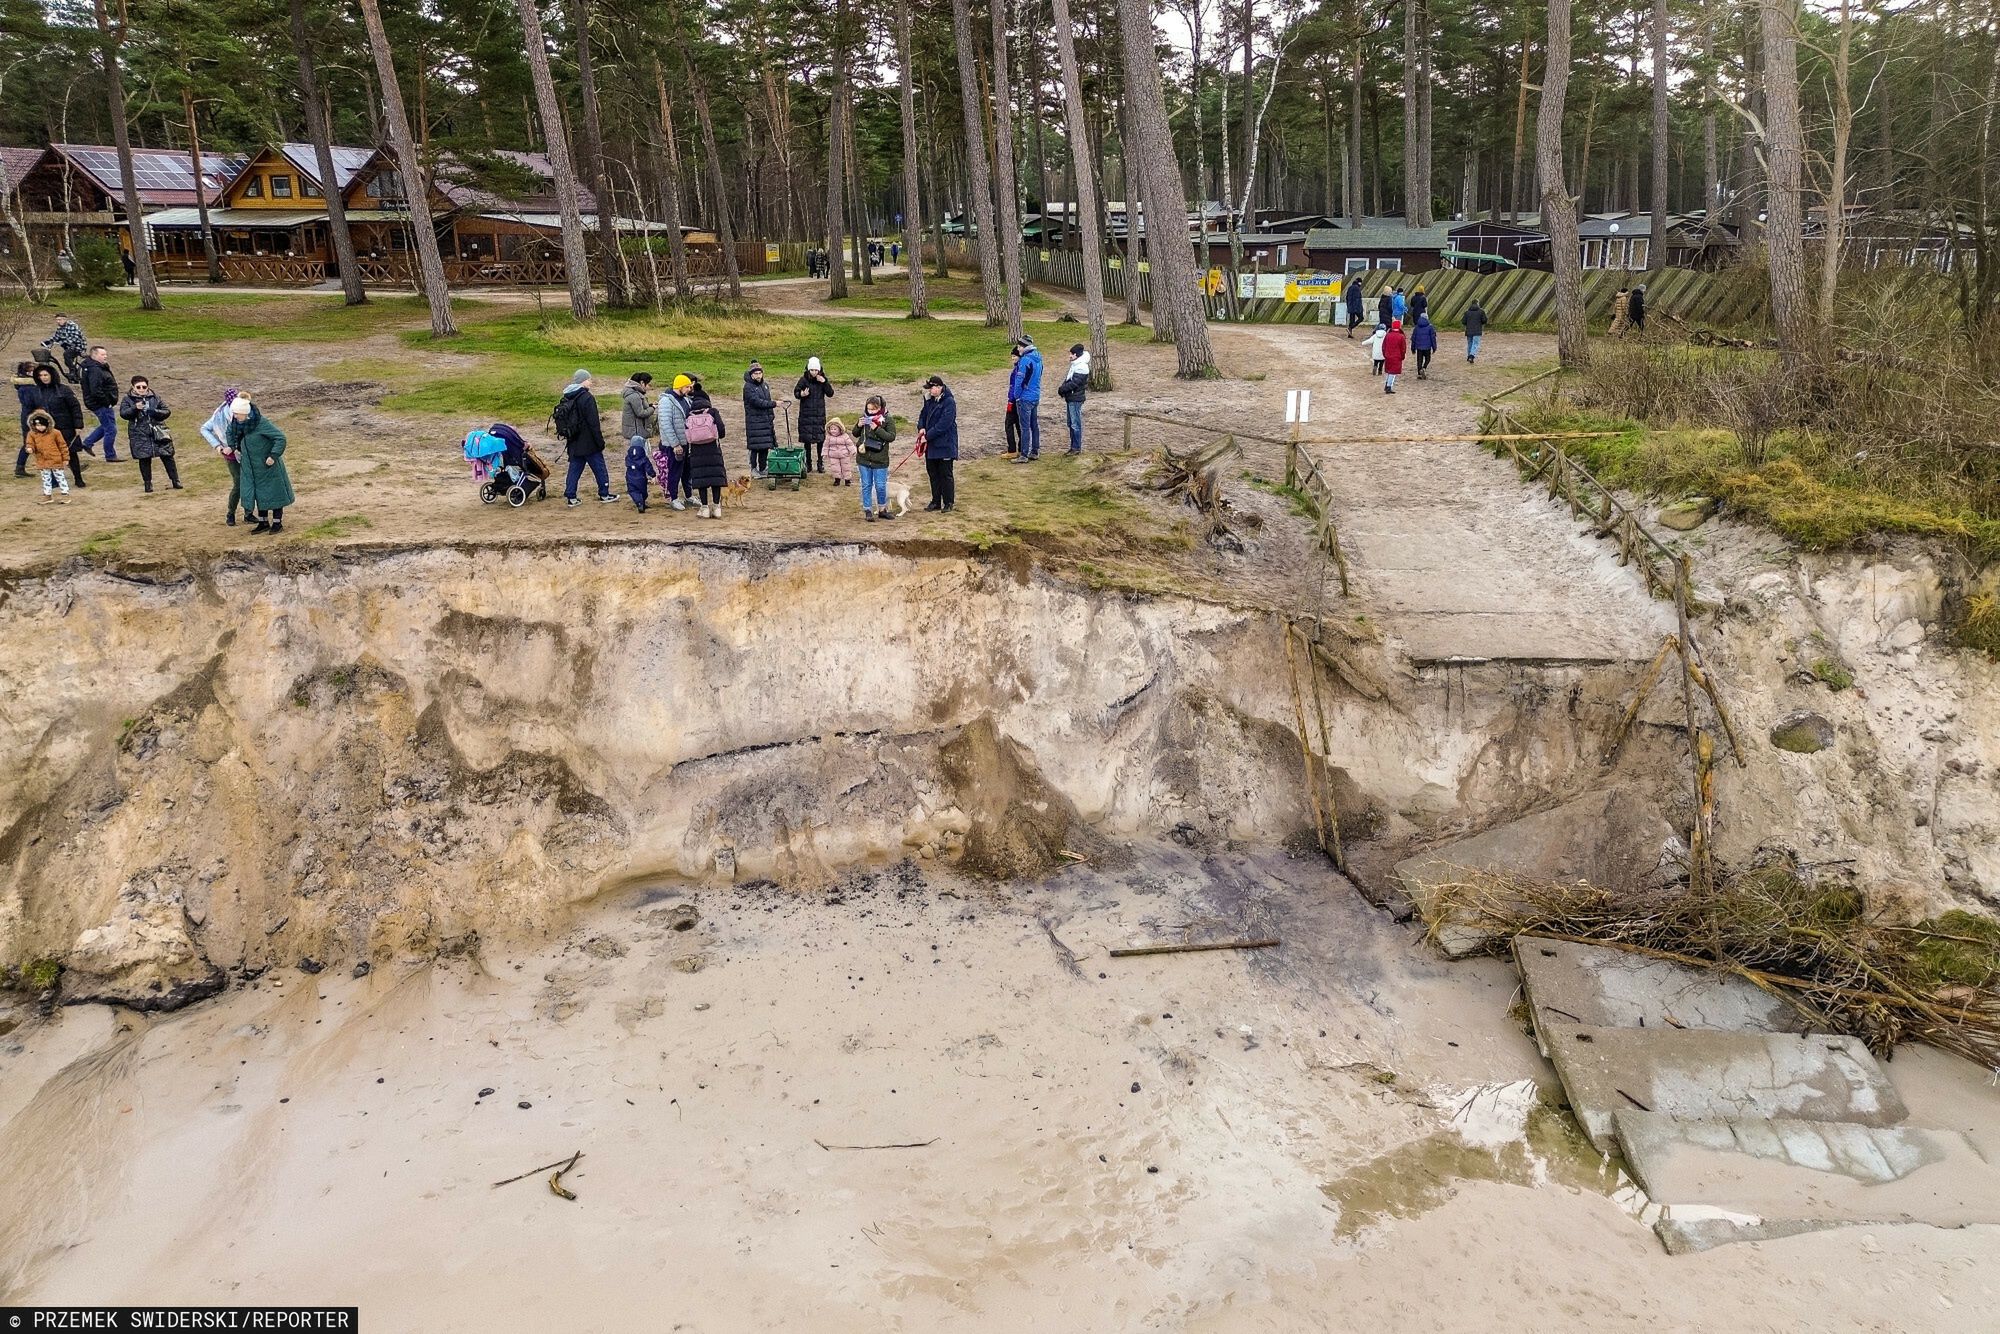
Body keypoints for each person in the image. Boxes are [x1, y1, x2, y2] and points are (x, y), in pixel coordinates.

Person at [227, 396, 294, 533]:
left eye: (237, 413)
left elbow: (280, 438)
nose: (234, 416)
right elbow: (229, 432)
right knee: (259, 494)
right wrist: (233, 447)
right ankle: (263, 523)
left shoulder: (261, 423)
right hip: (250, 467)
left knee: (274, 494)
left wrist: (273, 455)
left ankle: (277, 523)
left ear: (245, 412)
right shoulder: (236, 424)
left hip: (268, 466)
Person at [554, 369, 618, 507]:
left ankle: (571, 496)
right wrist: (600, 441)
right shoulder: (587, 397)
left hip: (574, 440)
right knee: (599, 468)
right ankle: (604, 494)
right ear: (582, 381)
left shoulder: (567, 396)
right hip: (589, 442)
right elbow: (593, 423)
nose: (591, 382)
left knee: (574, 469)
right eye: (589, 379)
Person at [20, 363, 86, 489]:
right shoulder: (35, 392)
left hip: (65, 426)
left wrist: (78, 425)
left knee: (71, 453)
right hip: (45, 429)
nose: (43, 377)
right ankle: (54, 481)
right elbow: (28, 411)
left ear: (51, 375)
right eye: (40, 375)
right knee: (48, 454)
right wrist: (31, 428)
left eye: (46, 375)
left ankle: (78, 478)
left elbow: (75, 407)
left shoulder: (64, 390)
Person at [681, 373, 729, 518]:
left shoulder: (689, 414)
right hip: (713, 449)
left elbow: (686, 433)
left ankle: (704, 508)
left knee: (702, 480)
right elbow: (722, 430)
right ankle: (717, 508)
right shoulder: (712, 412)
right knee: (715, 479)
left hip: (697, 451)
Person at [119, 375, 178, 492]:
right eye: (138, 387)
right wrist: (135, 408)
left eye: (144, 387)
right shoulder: (127, 399)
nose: (141, 389)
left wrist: (154, 412)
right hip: (139, 433)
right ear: (133, 387)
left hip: (158, 431)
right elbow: (124, 414)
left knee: (167, 456)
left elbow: (166, 411)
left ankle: (175, 480)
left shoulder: (155, 397)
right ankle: (148, 484)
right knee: (144, 459)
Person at [200, 388, 244, 524]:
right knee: (239, 483)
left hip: (247, 452)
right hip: (231, 455)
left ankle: (248, 513)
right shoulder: (219, 415)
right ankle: (231, 514)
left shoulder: (244, 411)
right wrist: (218, 446)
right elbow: (204, 429)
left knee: (250, 482)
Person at [916, 374, 958, 512]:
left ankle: (948, 502)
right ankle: (935, 501)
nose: (930, 390)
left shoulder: (949, 402)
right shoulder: (929, 400)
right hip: (931, 445)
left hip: (945, 444)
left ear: (939, 387)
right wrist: (921, 428)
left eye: (932, 388)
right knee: (933, 473)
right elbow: (923, 415)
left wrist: (927, 436)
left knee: (945, 474)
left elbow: (944, 424)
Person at [855, 394, 898, 521]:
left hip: (880, 459)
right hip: (864, 458)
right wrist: (858, 425)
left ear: (880, 408)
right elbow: (855, 433)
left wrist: (877, 429)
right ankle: (868, 510)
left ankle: (882, 509)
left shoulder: (888, 419)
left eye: (873, 409)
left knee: (880, 486)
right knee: (866, 485)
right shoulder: (864, 417)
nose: (870, 412)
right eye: (868, 409)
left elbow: (891, 437)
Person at [619, 372, 657, 512]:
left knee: (637, 460)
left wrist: (650, 406)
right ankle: (642, 485)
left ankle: (641, 486)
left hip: (636, 431)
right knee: (641, 459)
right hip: (637, 432)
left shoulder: (633, 394)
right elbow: (641, 413)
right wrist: (653, 408)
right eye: (648, 384)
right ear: (642, 383)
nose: (649, 386)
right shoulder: (635, 396)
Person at [79, 346, 122, 461]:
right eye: (102, 355)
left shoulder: (94, 367)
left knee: (107, 425)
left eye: (105, 354)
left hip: (98, 402)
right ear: (94, 355)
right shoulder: (95, 370)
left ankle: (88, 443)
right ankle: (110, 455)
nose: (105, 356)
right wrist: (106, 402)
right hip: (100, 403)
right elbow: (95, 390)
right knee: (111, 429)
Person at [794, 355, 834, 474]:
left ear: (819, 370)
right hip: (806, 414)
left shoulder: (822, 380)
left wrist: (825, 382)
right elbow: (796, 392)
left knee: (820, 440)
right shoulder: (803, 380)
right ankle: (808, 463)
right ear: (808, 369)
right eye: (812, 370)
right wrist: (802, 394)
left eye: (816, 370)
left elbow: (830, 393)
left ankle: (820, 463)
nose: (814, 372)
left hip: (819, 415)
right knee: (807, 441)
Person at [24, 409, 72, 504]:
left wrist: (66, 458)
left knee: (60, 477)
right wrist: (29, 448)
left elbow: (63, 446)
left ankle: (65, 494)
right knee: (46, 479)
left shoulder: (56, 433)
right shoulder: (31, 434)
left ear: (47, 424)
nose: (40, 427)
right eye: (37, 425)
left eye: (42, 425)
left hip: (55, 460)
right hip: (42, 460)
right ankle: (47, 495)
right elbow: (29, 443)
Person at [1008, 336, 1043, 462]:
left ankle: (1024, 454)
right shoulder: (1038, 357)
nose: (1018, 349)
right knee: (1034, 425)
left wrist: (1016, 396)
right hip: (1035, 395)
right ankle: (1035, 451)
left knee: (1024, 427)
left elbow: (1019, 381)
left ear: (1024, 347)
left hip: (1025, 397)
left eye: (1019, 346)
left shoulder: (1025, 361)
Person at [742, 361, 777, 478]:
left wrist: (771, 416)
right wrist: (774, 404)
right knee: (754, 447)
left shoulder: (765, 386)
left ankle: (762, 468)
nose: (758, 375)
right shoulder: (748, 387)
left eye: (759, 373)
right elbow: (756, 402)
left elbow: (767, 400)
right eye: (755, 373)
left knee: (764, 446)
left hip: (765, 421)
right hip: (754, 422)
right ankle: (753, 469)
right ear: (751, 375)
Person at [1055, 343, 1089, 455]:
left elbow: (1074, 383)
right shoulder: (1076, 365)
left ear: (1076, 355)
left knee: (1075, 424)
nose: (1069, 356)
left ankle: (1076, 447)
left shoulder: (1081, 367)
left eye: (1071, 354)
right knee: (1071, 423)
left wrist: (1062, 389)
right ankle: (1074, 446)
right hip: (1072, 398)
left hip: (1075, 398)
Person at [40, 314, 87, 382]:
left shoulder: (73, 326)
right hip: (68, 347)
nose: (58, 321)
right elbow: (56, 337)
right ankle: (73, 372)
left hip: (78, 347)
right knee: (67, 360)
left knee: (67, 355)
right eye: (57, 320)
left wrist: (62, 342)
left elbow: (75, 339)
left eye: (59, 320)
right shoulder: (60, 328)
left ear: (65, 319)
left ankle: (73, 371)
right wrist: (47, 342)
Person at [12, 361, 33, 476]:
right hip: (31, 417)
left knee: (28, 443)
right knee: (29, 443)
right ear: (28, 372)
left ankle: (20, 468)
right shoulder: (27, 388)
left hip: (27, 416)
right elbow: (29, 403)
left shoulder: (24, 386)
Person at [822, 416, 857, 486]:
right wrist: (824, 453)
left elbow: (850, 444)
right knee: (835, 468)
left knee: (846, 467)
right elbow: (826, 446)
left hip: (844, 455)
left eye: (835, 429)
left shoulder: (845, 436)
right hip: (833, 456)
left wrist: (853, 450)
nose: (833, 431)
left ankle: (847, 480)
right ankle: (837, 480)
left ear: (840, 429)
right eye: (831, 429)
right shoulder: (828, 437)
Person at [1003, 346, 1021, 456]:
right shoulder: (1019, 367)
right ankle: (1021, 448)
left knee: (1008, 424)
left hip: (1014, 400)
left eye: (1014, 356)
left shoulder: (1018, 370)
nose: (1013, 358)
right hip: (1018, 400)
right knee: (1019, 424)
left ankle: (1012, 449)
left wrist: (1010, 400)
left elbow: (1014, 386)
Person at [1381, 319, 1408, 395]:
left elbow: (1383, 346)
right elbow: (1403, 349)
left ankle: (1387, 384)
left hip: (1388, 356)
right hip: (1396, 356)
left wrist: (1385, 354)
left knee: (1389, 371)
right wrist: (1402, 356)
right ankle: (1388, 386)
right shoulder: (1401, 336)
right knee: (1393, 372)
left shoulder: (1388, 335)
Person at [1411, 315, 1438, 380]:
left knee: (1419, 360)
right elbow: (1433, 338)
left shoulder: (1416, 327)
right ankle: (1424, 368)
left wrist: (1413, 348)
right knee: (1428, 359)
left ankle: (1419, 374)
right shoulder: (1430, 327)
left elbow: (1413, 338)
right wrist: (1434, 347)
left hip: (1419, 347)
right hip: (1427, 347)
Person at [1463, 299, 1487, 364]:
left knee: (1470, 343)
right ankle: (1471, 356)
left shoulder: (1467, 312)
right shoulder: (1481, 312)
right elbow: (1484, 320)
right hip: (1477, 330)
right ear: (1477, 303)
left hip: (1468, 330)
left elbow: (1463, 322)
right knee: (1475, 343)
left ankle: (1469, 356)